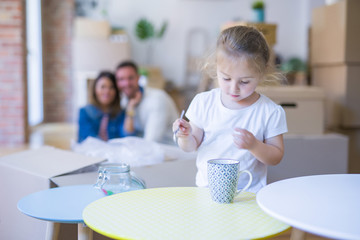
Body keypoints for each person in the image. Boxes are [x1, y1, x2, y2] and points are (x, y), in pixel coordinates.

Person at [172, 26, 288, 193]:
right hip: (207, 191)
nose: (234, 88)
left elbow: (276, 157)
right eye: (226, 78)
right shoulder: (204, 102)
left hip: (249, 194)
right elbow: (191, 146)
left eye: (245, 82)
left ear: (261, 74)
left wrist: (254, 145)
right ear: (216, 68)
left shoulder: (270, 112)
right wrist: (184, 136)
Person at [115, 60, 179, 144]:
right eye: (121, 79)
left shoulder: (157, 99)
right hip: (146, 149)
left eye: (130, 78)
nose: (126, 83)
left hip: (169, 149)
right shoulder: (125, 101)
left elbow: (151, 141)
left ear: (138, 77)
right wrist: (130, 108)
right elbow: (126, 135)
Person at [78, 71, 135, 143]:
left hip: (114, 153)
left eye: (111, 87)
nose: (107, 91)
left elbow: (128, 137)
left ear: (116, 92)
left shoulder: (120, 114)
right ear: (95, 89)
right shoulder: (85, 112)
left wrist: (130, 107)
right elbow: (88, 141)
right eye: (103, 87)